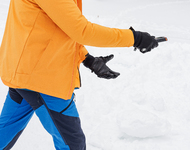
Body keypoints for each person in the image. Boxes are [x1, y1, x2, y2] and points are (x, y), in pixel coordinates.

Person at [0, 0, 158, 149]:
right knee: (72, 143)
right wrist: (134, 38)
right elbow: (82, 31)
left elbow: (57, 28)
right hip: (42, 80)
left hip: (24, 73)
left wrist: (87, 59)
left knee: (5, 132)